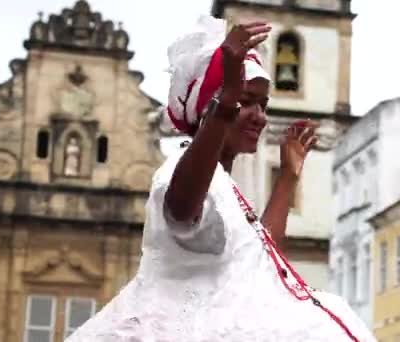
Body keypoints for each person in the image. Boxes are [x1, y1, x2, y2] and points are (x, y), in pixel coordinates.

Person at [66, 16, 376, 342]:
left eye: (263, 104)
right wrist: (227, 99)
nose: (260, 116)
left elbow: (263, 259)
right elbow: (182, 209)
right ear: (210, 105)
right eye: (247, 101)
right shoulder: (181, 173)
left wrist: (288, 176)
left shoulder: (225, 188)